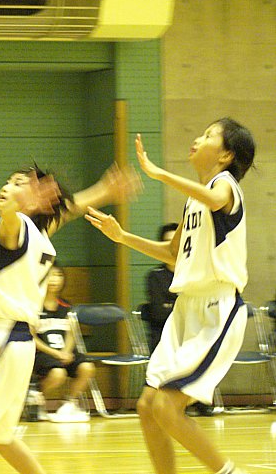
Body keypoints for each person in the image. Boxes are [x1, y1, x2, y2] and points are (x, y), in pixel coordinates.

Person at [0, 162, 140, 474]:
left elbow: (19, 214)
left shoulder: (15, 226)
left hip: (2, 340)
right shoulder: (40, 234)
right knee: (0, 436)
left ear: (37, 199)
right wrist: (103, 191)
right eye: (8, 181)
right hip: (13, 342)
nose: (8, 186)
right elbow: (68, 210)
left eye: (19, 183)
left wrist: (18, 206)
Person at [85, 118, 256, 474]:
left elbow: (215, 198)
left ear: (226, 155)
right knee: (148, 407)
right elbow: (173, 254)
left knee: (166, 406)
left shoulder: (224, 186)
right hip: (186, 309)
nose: (197, 138)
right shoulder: (195, 201)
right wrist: (122, 237)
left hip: (216, 309)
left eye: (208, 135)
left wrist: (157, 173)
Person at [31, 265, 94, 423]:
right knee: (58, 374)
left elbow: (71, 333)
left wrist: (66, 351)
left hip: (65, 351)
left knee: (87, 368)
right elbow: (32, 337)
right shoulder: (33, 306)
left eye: (58, 275)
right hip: (43, 353)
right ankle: (36, 398)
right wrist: (56, 353)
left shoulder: (67, 306)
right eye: (50, 275)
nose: (54, 280)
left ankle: (68, 403)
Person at [143, 223, 179, 354]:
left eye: (177, 242)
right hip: (163, 337)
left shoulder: (194, 274)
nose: (173, 247)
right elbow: (159, 313)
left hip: (191, 337)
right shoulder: (155, 276)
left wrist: (170, 305)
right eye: (167, 243)